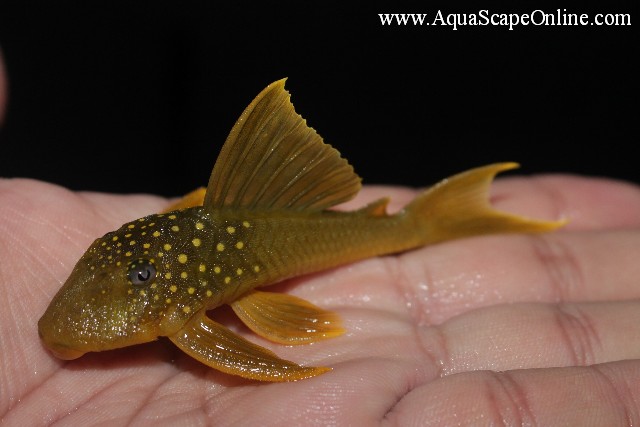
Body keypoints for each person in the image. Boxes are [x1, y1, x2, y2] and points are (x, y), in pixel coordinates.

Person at [1, 49, 639, 425]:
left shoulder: (179, 311)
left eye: (140, 280)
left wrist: (283, 369)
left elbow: (227, 318)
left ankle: (438, 219)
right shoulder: (154, 292)